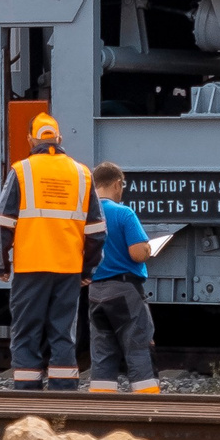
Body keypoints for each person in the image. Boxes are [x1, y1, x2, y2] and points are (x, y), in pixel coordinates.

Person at [0, 112, 104, 391]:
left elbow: (3, 223)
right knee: (63, 332)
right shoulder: (82, 174)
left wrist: (2, 263)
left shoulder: (22, 171)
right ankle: (63, 394)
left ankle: (27, 397)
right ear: (59, 139)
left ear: (31, 140)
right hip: (68, 268)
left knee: (27, 332)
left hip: (30, 267)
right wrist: (87, 269)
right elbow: (97, 231)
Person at [86, 163, 160, 393]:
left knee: (102, 351)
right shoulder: (123, 213)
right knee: (138, 346)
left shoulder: (85, 216)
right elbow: (137, 253)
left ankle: (101, 401)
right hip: (125, 290)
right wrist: (148, 248)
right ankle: (147, 402)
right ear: (117, 184)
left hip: (95, 292)